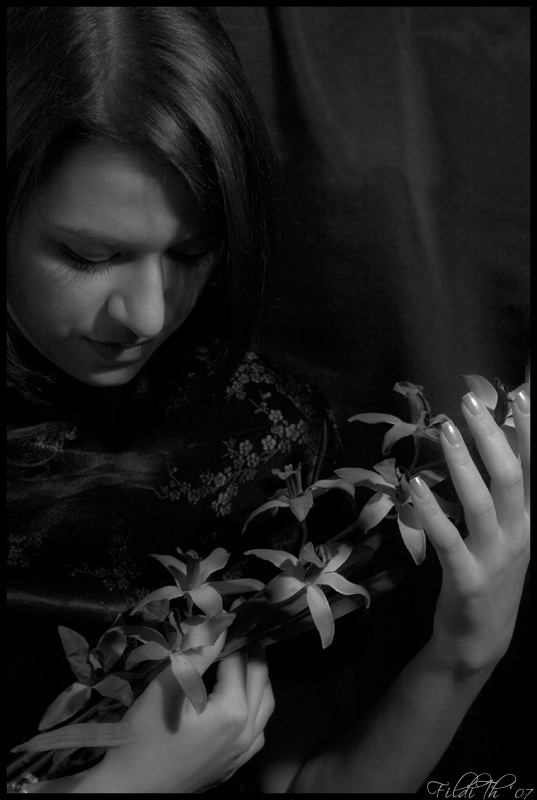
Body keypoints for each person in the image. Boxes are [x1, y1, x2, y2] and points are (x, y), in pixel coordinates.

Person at [7, 7, 530, 794]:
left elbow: (308, 786)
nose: (146, 314)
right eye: (90, 255)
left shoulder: (263, 440)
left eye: (190, 251)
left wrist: (463, 654)